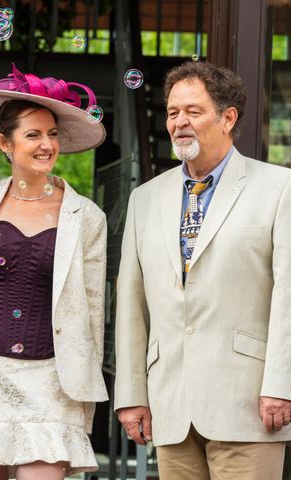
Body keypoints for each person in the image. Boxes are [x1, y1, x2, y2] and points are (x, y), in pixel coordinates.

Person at [114, 61, 291, 479]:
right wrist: (132, 394)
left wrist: (282, 385)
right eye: (173, 112)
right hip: (170, 407)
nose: (178, 123)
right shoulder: (145, 199)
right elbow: (131, 302)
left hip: (248, 405)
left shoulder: (279, 188)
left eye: (193, 111)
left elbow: (288, 293)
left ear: (228, 118)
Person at [0, 65, 109, 479]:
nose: (46, 144)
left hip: (53, 377)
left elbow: (93, 311)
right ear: (4, 143)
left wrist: (85, 395)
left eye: (51, 134)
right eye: (33, 134)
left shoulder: (87, 216)